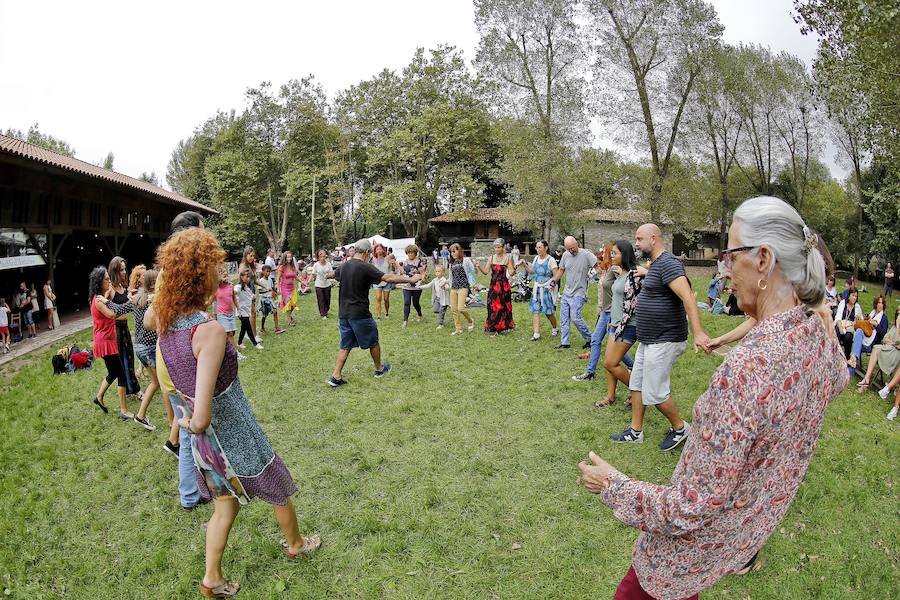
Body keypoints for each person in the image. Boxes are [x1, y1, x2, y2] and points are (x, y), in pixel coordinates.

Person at [578, 195, 848, 600]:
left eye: (730, 255)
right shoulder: (816, 338)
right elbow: (840, 378)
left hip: (679, 563)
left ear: (763, 259)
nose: (725, 270)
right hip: (736, 539)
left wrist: (612, 484)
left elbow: (690, 506)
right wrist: (820, 307)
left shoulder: (746, 372)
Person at [154, 228, 321, 597]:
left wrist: (184, 422)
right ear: (199, 276)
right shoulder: (208, 331)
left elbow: (153, 313)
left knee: (224, 507)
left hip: (205, 446)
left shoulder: (165, 324)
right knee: (276, 485)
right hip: (232, 431)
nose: (222, 274)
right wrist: (187, 421)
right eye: (215, 267)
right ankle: (296, 543)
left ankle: (212, 578)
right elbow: (202, 416)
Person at [610, 224, 710, 451]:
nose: (636, 244)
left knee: (654, 392)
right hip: (649, 339)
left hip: (666, 339)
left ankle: (681, 428)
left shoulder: (669, 264)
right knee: (636, 384)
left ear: (654, 239)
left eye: (639, 239)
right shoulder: (656, 264)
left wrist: (699, 332)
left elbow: (688, 298)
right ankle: (635, 431)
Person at [145, 210, 204, 511]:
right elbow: (152, 319)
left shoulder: (171, 271)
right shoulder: (175, 274)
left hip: (172, 357)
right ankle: (193, 493)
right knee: (192, 429)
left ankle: (194, 491)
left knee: (188, 428)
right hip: (179, 361)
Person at [327, 239, 422, 387]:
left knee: (345, 345)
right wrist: (410, 279)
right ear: (366, 253)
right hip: (360, 314)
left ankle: (336, 376)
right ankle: (379, 369)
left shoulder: (344, 266)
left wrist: (326, 275)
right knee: (374, 341)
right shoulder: (365, 267)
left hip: (344, 314)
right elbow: (387, 277)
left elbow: (333, 274)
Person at [597, 241, 642, 407]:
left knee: (610, 363)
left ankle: (638, 390)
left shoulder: (636, 274)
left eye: (615, 253)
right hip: (615, 324)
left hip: (629, 325)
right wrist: (611, 321)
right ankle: (610, 397)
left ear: (625, 254)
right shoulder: (621, 273)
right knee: (609, 363)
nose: (612, 256)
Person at [88, 266, 132, 419]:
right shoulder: (99, 300)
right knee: (121, 374)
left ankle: (99, 397)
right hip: (105, 341)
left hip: (106, 339)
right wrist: (129, 303)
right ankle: (124, 411)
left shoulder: (98, 297)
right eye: (106, 279)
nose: (109, 281)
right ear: (99, 282)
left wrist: (109, 297)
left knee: (113, 372)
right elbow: (113, 314)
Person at [129, 269, 163, 431]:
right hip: (150, 347)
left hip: (139, 347)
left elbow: (121, 308)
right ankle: (173, 421)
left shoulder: (137, 298)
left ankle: (141, 416)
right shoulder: (152, 300)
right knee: (163, 383)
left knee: (156, 382)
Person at [553, 236, 597, 350]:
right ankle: (565, 342)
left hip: (579, 292)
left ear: (577, 244)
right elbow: (561, 269)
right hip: (567, 292)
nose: (571, 251)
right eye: (569, 249)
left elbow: (598, 266)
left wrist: (604, 279)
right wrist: (554, 281)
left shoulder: (586, 254)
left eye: (572, 248)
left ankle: (590, 339)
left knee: (575, 318)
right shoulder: (566, 255)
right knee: (564, 319)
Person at [109, 257, 141, 403]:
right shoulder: (109, 289)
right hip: (115, 329)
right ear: (114, 271)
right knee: (121, 361)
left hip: (125, 327)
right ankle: (131, 390)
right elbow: (106, 309)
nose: (124, 272)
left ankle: (132, 388)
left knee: (129, 358)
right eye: (121, 269)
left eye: (124, 269)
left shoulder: (123, 288)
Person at [474, 238, 515, 335]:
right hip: (493, 286)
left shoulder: (507, 258)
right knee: (492, 307)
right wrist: (479, 266)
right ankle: (493, 326)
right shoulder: (491, 258)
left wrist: (515, 267)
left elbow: (511, 273)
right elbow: (485, 272)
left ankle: (503, 326)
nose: (497, 249)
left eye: (499, 247)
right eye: (495, 247)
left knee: (504, 307)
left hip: (504, 286)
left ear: (503, 247)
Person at [857, 307, 900, 396]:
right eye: (898, 314)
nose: (899, 316)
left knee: (877, 349)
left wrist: (892, 342)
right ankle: (867, 378)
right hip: (888, 349)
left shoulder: (897, 327)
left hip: (895, 354)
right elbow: (885, 339)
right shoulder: (894, 327)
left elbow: (898, 344)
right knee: (876, 348)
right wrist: (892, 342)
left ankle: (867, 379)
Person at [523, 240, 559, 341]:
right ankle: (536, 334)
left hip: (546, 289)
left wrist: (552, 284)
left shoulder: (551, 260)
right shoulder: (536, 258)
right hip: (537, 289)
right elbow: (532, 271)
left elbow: (556, 275)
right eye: (537, 247)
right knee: (536, 311)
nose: (538, 249)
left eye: (540, 247)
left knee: (549, 313)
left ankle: (555, 327)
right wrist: (525, 265)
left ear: (546, 248)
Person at [847, 295, 888, 375]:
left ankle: (852, 367)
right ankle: (853, 362)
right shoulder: (872, 314)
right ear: (876, 304)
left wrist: (876, 325)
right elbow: (866, 328)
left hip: (872, 345)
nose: (880, 305)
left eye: (882, 303)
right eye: (879, 303)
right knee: (858, 331)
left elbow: (884, 335)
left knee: (855, 341)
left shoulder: (884, 318)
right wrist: (865, 320)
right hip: (864, 339)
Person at [447, 243, 476, 336]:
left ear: (459, 251)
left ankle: (470, 320)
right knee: (454, 309)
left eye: (454, 251)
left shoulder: (466, 260)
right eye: (451, 252)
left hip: (463, 286)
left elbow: (472, 271)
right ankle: (458, 329)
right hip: (454, 287)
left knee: (461, 308)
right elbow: (451, 277)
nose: (452, 254)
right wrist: (446, 283)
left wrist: (473, 285)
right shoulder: (452, 263)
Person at [215, 271, 243, 360]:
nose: (225, 275)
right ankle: (235, 353)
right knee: (229, 333)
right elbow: (211, 301)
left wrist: (238, 308)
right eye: (222, 273)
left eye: (225, 273)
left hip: (231, 313)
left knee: (232, 333)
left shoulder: (230, 287)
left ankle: (224, 351)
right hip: (221, 314)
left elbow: (234, 298)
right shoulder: (216, 289)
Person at [398, 244, 427, 328]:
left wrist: (421, 280)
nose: (410, 254)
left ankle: (420, 315)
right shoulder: (405, 262)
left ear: (415, 253)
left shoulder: (419, 262)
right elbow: (403, 273)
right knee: (407, 302)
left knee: (415, 303)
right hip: (406, 286)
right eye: (409, 253)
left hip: (416, 286)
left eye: (412, 252)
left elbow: (422, 274)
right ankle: (405, 321)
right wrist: (399, 268)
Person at [235, 268, 263, 351]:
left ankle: (239, 343)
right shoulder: (238, 287)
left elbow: (250, 295)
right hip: (241, 312)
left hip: (247, 311)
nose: (248, 278)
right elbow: (234, 291)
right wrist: (234, 292)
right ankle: (255, 344)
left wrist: (253, 296)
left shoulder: (246, 287)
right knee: (248, 328)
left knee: (244, 328)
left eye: (249, 277)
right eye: (246, 277)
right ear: (241, 277)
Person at [834, 288, 863, 358]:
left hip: (850, 328)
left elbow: (861, 319)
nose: (854, 298)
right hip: (841, 324)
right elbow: (838, 317)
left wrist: (858, 319)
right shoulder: (843, 303)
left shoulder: (857, 306)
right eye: (853, 295)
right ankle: (835, 354)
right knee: (837, 331)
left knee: (848, 337)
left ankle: (847, 357)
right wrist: (840, 326)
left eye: (856, 296)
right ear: (849, 295)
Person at [239, 247, 260, 342]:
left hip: (252, 291)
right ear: (245, 255)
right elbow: (242, 280)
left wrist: (264, 286)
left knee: (252, 314)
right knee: (251, 314)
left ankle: (251, 333)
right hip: (246, 292)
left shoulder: (251, 266)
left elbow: (254, 280)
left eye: (253, 256)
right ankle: (253, 335)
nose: (252, 257)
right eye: (250, 255)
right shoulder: (243, 266)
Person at [257, 264, 284, 334]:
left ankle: (277, 327)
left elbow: (272, 288)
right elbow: (259, 291)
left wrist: (277, 292)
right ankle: (262, 328)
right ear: (263, 272)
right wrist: (266, 290)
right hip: (263, 300)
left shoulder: (270, 280)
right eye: (267, 271)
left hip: (270, 299)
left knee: (275, 311)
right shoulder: (261, 281)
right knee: (264, 315)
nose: (268, 273)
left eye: (269, 271)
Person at [371, 244, 394, 319]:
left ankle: (387, 312)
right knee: (378, 298)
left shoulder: (387, 259)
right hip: (377, 281)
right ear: (375, 251)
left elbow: (392, 270)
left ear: (383, 250)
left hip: (387, 281)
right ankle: (378, 315)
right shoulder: (373, 260)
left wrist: (393, 265)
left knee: (386, 299)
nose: (379, 251)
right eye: (377, 249)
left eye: (380, 249)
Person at [277, 251, 298, 326]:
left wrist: (302, 282)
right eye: (288, 257)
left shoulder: (292, 266)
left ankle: (289, 316)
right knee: (288, 303)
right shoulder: (282, 267)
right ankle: (289, 321)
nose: (289, 258)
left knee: (293, 305)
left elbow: (295, 276)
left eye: (290, 257)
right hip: (284, 288)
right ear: (285, 258)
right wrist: (278, 288)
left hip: (292, 287)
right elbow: (278, 278)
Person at [313, 249, 335, 319]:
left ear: (326, 256)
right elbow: (313, 274)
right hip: (318, 285)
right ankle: (323, 314)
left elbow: (331, 272)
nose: (322, 258)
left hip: (327, 284)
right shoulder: (316, 265)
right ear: (318, 257)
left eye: (324, 256)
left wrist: (329, 276)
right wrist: (308, 281)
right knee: (321, 299)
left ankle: (326, 310)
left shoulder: (328, 264)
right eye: (321, 256)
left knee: (327, 299)